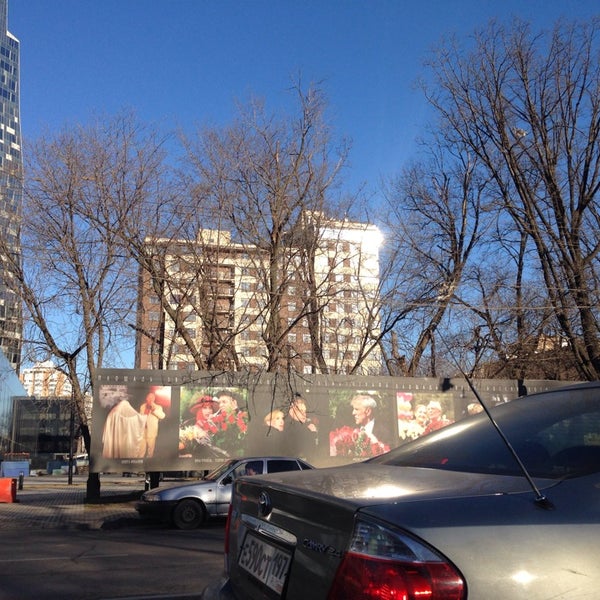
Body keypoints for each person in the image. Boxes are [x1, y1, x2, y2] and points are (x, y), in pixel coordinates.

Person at [286, 393, 318, 460]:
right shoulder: (288, 429)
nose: (304, 414)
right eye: (301, 411)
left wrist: (313, 434)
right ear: (291, 411)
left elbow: (313, 455)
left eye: (305, 411)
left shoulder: (306, 428)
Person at [138, 391, 166, 458]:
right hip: (142, 430)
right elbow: (140, 417)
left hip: (151, 431)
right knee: (141, 448)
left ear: (154, 399)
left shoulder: (158, 407)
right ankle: (140, 459)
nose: (150, 399)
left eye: (152, 398)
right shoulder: (142, 406)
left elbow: (162, 416)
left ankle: (149, 459)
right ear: (146, 398)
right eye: (149, 397)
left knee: (150, 449)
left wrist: (154, 410)